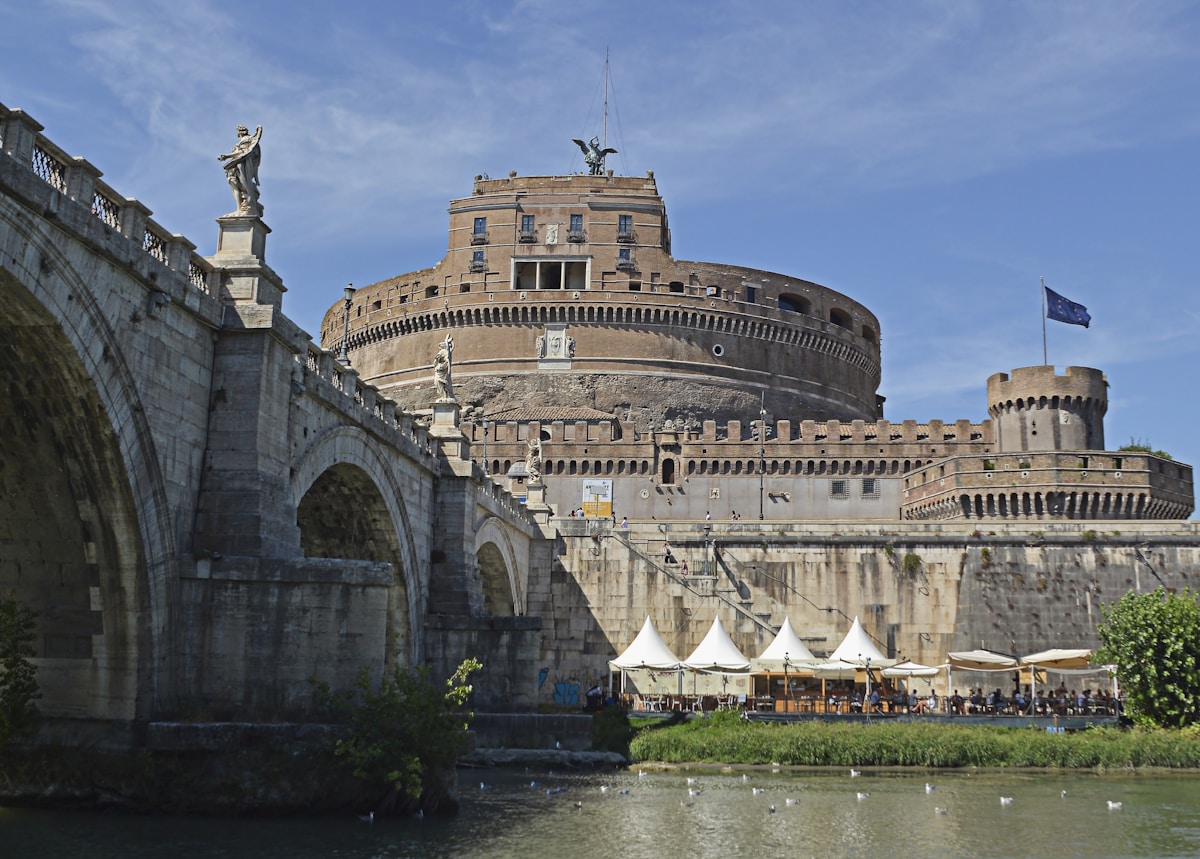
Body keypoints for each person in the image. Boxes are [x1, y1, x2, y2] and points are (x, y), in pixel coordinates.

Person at [217, 124, 263, 216]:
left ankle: (248, 206)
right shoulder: (242, 141)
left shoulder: (247, 139)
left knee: (243, 185)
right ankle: (239, 209)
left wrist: (227, 156)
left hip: (241, 165)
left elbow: (244, 152)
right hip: (234, 166)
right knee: (234, 186)